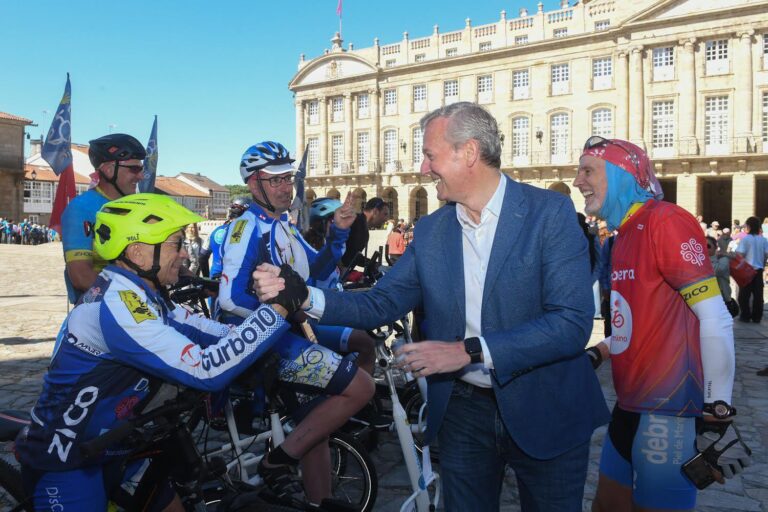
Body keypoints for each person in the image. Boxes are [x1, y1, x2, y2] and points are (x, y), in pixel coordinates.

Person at [253, 102, 610, 512]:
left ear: (469, 153)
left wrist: (467, 351)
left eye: (431, 155)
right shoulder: (433, 228)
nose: (424, 168)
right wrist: (304, 298)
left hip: (546, 405)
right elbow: (383, 301)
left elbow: (570, 322)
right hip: (464, 412)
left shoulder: (548, 212)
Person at [17, 194, 293, 511]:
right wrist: (276, 313)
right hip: (67, 458)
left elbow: (208, 330)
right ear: (138, 252)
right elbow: (205, 370)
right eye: (176, 244)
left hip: (114, 444)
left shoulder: (142, 294)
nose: (185, 254)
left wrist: (262, 333)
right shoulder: (118, 305)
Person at [573, 136, 751, 511]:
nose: (577, 182)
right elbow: (632, 322)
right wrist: (597, 353)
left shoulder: (664, 220)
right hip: (628, 403)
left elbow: (715, 316)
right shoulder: (622, 236)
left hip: (668, 411)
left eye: (588, 171)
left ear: (622, 175)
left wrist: (717, 409)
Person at [217, 141, 376, 501]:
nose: (286, 187)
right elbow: (229, 299)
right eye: (275, 181)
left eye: (288, 178)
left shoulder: (283, 225)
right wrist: (281, 317)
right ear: (254, 184)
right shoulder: (247, 228)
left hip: (290, 330)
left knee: (314, 423)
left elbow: (316, 276)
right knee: (360, 387)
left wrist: (337, 232)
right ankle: (277, 462)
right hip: (270, 339)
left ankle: (318, 500)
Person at [61, 133, 146, 303]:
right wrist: (132, 300)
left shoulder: (136, 206)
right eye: (134, 169)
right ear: (108, 169)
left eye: (141, 169)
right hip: (100, 309)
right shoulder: (81, 207)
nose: (141, 176)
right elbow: (81, 275)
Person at [202, 197, 250, 280]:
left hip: (215, 280)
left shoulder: (215, 231)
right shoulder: (250, 234)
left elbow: (202, 256)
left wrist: (206, 280)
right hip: (237, 282)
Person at [339, 197, 390, 271]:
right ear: (375, 212)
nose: (386, 219)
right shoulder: (356, 223)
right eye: (385, 214)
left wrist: (377, 266)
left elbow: (354, 257)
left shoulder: (360, 224)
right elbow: (347, 257)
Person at [736, 216, 768, 323]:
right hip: (758, 270)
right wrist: (762, 265)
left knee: (743, 295)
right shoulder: (763, 240)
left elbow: (740, 254)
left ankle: (745, 315)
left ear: (748, 226)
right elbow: (766, 254)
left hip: (746, 270)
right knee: (758, 296)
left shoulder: (745, 239)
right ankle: (756, 317)